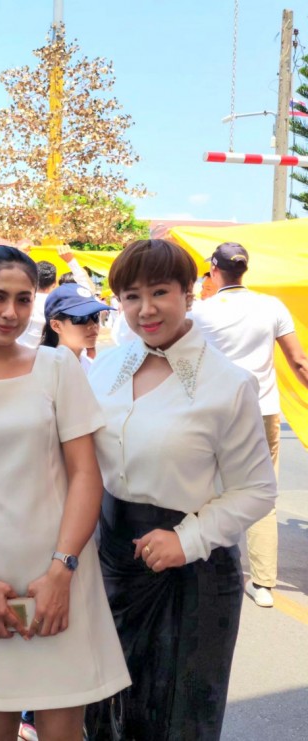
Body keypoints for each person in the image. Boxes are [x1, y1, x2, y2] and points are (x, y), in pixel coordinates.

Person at [0, 246, 130, 741]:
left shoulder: (57, 367)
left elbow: (86, 474)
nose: (10, 312)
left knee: (63, 730)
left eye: (23, 299)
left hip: (62, 574)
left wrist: (62, 572)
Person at [86, 239, 277, 740]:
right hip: (110, 566)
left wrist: (186, 540)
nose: (145, 309)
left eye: (160, 292)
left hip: (192, 577)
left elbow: (257, 489)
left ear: (189, 293)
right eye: (131, 296)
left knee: (176, 719)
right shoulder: (105, 369)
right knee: (103, 714)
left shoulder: (227, 384)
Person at [192, 241, 308, 608]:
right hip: (263, 410)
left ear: (214, 269)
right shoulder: (271, 306)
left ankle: (206, 572)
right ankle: (262, 583)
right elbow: (299, 361)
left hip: (215, 412)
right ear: (245, 269)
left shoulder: (201, 312)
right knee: (263, 495)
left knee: (207, 492)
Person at [41, 284, 113, 374]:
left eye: (95, 315)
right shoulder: (42, 370)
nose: (93, 325)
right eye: (81, 318)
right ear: (56, 326)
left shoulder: (91, 367)